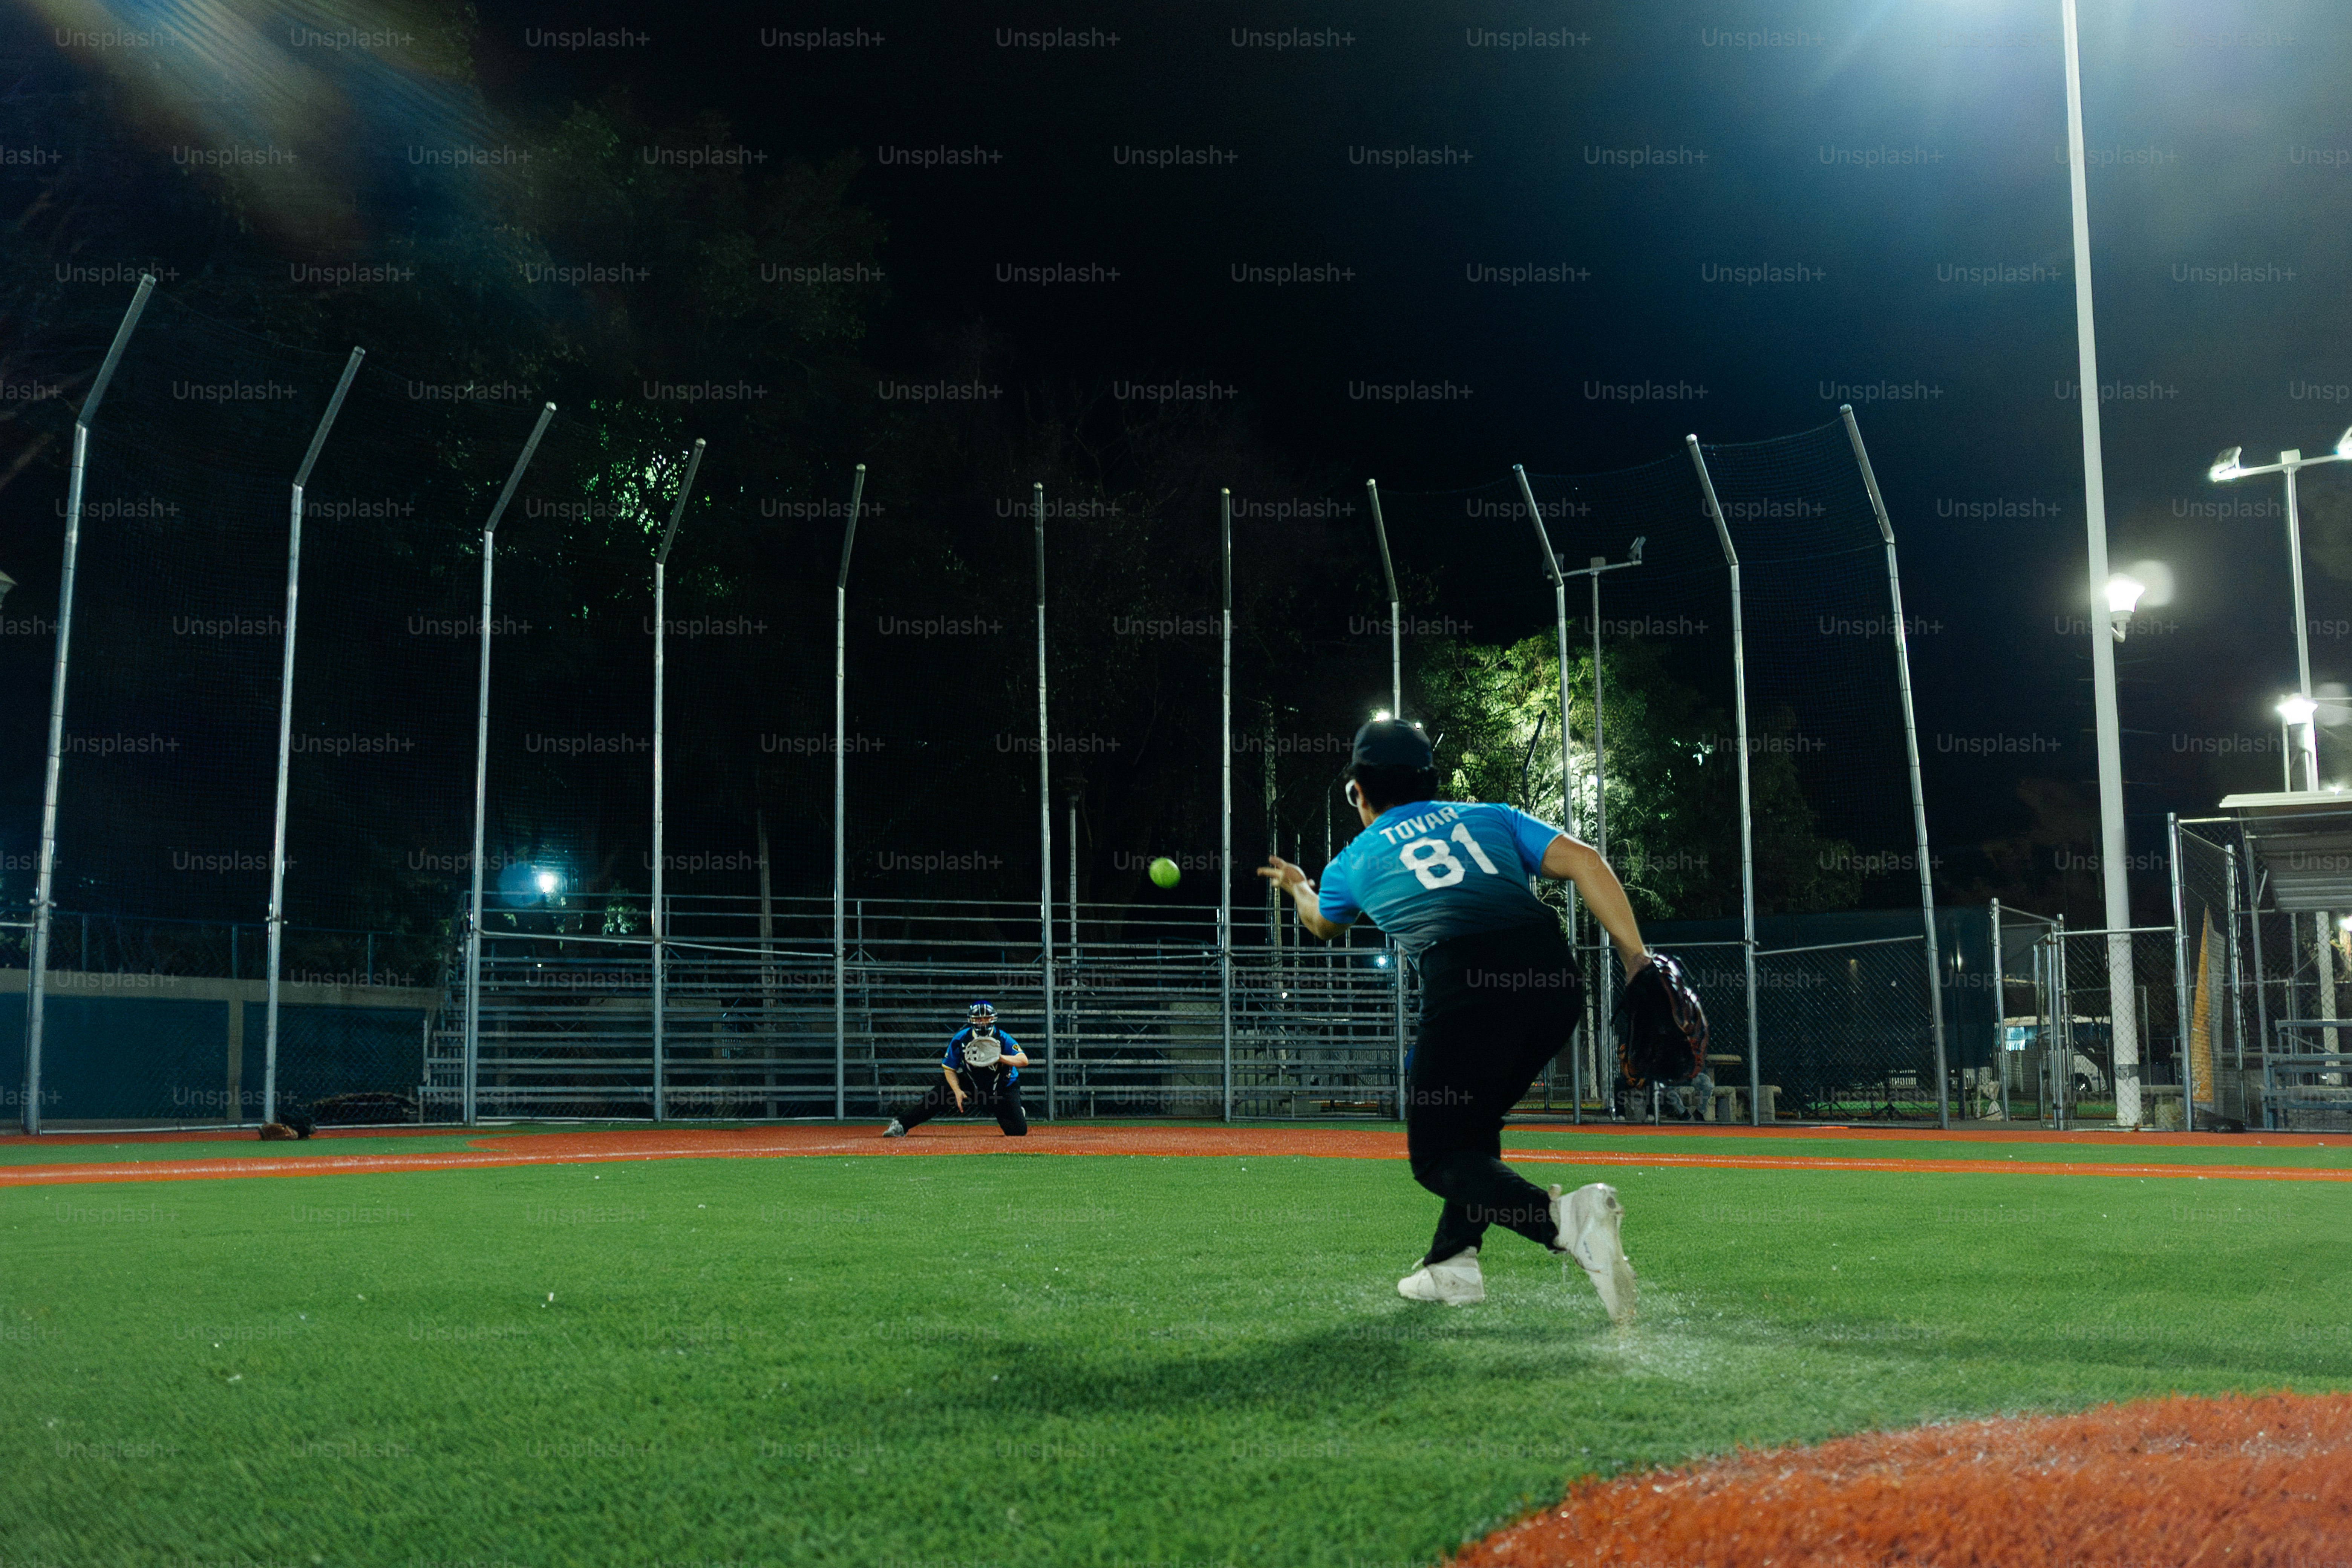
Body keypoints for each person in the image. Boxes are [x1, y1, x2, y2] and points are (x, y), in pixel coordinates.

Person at [1258, 718, 1647, 1318]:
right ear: (1430, 781)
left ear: (1358, 792)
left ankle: (1565, 1222)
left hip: (1468, 985)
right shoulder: (1491, 816)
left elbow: (1323, 925)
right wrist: (1636, 962)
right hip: (1552, 979)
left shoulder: (1353, 861)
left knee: (1437, 1156)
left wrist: (1299, 886)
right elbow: (1586, 861)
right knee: (1473, 1122)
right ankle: (1452, 1264)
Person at [883, 1001, 1031, 1138]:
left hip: (1003, 1086)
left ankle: (1016, 1112)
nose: (982, 1022)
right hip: (974, 1083)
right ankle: (901, 1124)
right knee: (937, 1095)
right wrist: (957, 1090)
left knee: (1018, 1131)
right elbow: (949, 1068)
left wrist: (999, 1058)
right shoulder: (961, 1039)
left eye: (986, 1018)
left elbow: (1023, 1060)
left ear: (992, 1019)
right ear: (971, 1020)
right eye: (978, 1019)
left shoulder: (1002, 1038)